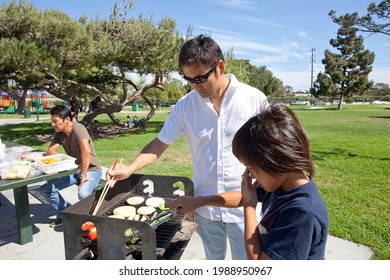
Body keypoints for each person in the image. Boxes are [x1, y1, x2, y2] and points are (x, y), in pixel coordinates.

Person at [107, 34, 268, 260]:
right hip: (204, 206)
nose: (195, 86)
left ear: (220, 66)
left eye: (201, 78)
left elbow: (270, 151)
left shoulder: (254, 99)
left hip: (245, 207)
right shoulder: (185, 106)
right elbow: (160, 143)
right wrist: (130, 168)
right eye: (189, 79)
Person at [171, 104, 329, 260]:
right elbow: (242, 196)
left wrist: (249, 207)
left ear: (275, 161)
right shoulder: (282, 183)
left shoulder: (301, 216)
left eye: (251, 168)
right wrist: (197, 202)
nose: (251, 176)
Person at [39, 105, 102, 228]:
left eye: (55, 121)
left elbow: (86, 150)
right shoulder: (60, 133)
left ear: (67, 119)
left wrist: (83, 175)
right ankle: (67, 213)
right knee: (45, 190)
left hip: (91, 169)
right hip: (75, 170)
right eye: (52, 121)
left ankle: (93, 220)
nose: (53, 124)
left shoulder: (78, 127)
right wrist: (65, 161)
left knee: (83, 194)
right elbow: (51, 151)